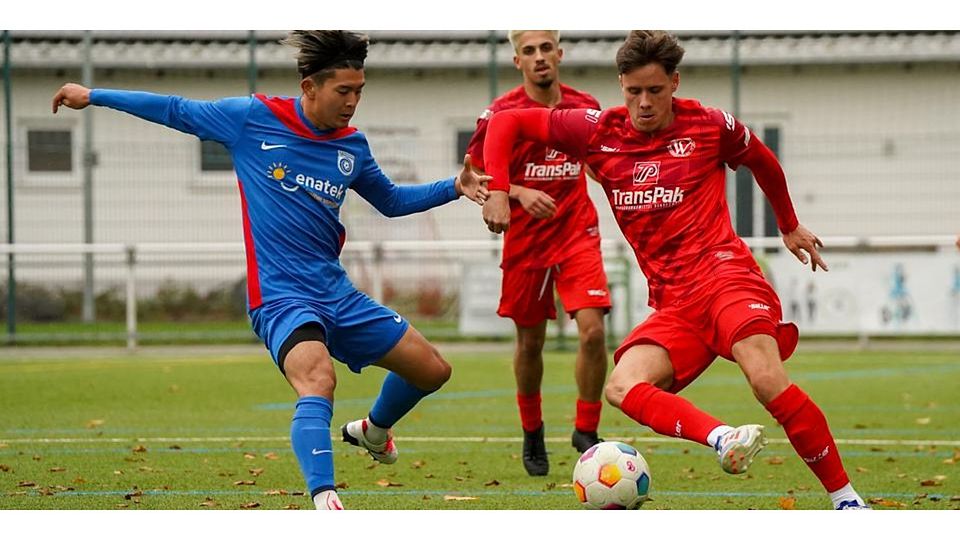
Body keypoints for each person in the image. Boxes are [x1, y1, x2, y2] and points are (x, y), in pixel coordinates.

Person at [52, 30, 487, 510]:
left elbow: (390, 201)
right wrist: (94, 96)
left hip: (336, 293)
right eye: (344, 91)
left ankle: (373, 430)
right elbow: (174, 109)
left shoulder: (351, 145)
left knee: (433, 370)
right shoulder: (252, 119)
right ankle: (325, 498)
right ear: (309, 87)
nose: (353, 102)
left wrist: (454, 185)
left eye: (359, 91)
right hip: (279, 296)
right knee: (318, 379)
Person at [480, 30, 869, 509]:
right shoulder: (598, 129)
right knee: (621, 387)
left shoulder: (709, 125)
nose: (644, 103)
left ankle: (847, 500)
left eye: (655, 91)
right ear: (621, 87)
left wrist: (788, 225)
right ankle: (724, 438)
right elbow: (506, 126)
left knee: (766, 378)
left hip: (726, 276)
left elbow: (761, 159)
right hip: (674, 302)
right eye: (633, 92)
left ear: (675, 83)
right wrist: (501, 188)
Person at [465, 30, 611, 476]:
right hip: (526, 238)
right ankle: (533, 431)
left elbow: (601, 159)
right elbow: (473, 175)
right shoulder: (502, 113)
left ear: (560, 53)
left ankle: (586, 429)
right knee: (530, 342)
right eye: (529, 51)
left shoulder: (584, 104)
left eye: (546, 48)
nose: (540, 57)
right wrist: (519, 192)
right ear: (517, 61)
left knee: (593, 332)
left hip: (576, 231)